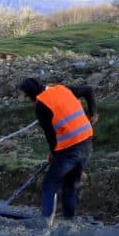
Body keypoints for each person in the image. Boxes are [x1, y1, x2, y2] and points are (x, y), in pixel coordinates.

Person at [18, 77, 98, 228]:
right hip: (87, 142)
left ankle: (45, 224)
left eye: (26, 96)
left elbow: (50, 135)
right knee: (70, 184)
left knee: (50, 184)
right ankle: (69, 222)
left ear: (32, 93)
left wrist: (53, 153)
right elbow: (88, 90)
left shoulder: (41, 105)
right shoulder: (62, 89)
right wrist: (93, 114)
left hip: (69, 149)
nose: (25, 99)